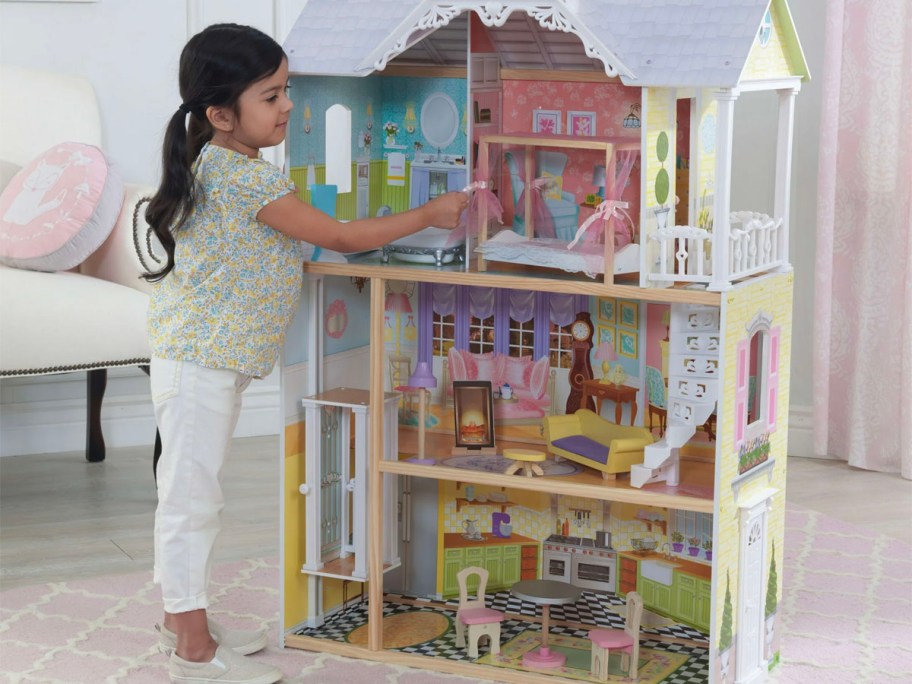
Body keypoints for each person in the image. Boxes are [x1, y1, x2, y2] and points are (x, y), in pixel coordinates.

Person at [144, 23, 468, 684]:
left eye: (286, 89)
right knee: (190, 501)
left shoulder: (225, 159)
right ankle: (191, 649)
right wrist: (428, 213)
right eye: (273, 95)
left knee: (192, 493)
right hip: (198, 362)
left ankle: (185, 620)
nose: (289, 105)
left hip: (208, 359)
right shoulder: (246, 181)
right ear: (221, 114)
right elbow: (341, 235)